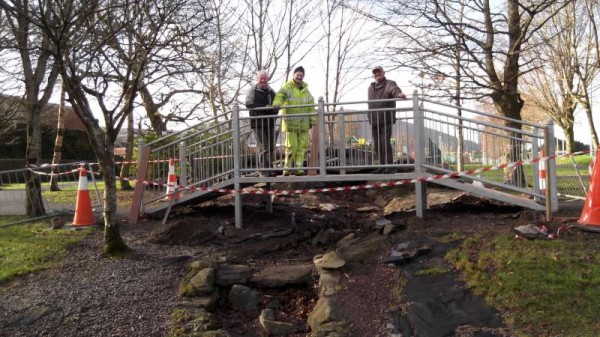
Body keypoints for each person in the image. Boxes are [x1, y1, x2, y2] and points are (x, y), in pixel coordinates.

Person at [273, 66, 315, 176]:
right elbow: (280, 95)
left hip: (303, 125)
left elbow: (311, 107)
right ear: (294, 75)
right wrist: (277, 104)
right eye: (298, 75)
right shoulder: (287, 87)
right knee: (291, 147)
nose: (299, 77)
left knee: (302, 148)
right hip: (290, 124)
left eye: (301, 75)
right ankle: (287, 169)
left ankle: (299, 168)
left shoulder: (307, 92)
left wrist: (312, 120)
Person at [367, 66, 406, 174]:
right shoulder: (370, 87)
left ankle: (390, 167)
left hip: (386, 118)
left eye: (379, 72)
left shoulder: (389, 83)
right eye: (375, 73)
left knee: (385, 143)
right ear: (373, 75)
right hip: (374, 120)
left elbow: (394, 90)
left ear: (383, 73)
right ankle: (382, 166)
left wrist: (399, 94)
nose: (377, 74)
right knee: (377, 145)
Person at [245, 70, 278, 176]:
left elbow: (276, 105)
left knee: (271, 147)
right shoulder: (252, 90)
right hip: (258, 124)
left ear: (267, 79)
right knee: (263, 147)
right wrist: (265, 109)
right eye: (261, 78)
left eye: (265, 78)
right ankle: (264, 170)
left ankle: (270, 168)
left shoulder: (271, 92)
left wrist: (275, 109)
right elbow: (249, 104)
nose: (263, 80)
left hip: (270, 123)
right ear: (258, 79)